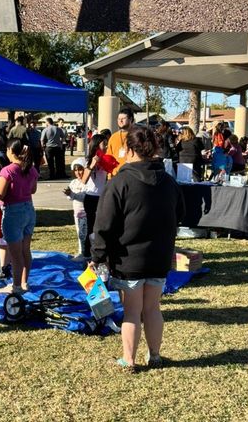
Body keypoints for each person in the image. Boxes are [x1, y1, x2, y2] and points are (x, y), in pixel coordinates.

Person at [90, 125, 183, 371]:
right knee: (153, 308)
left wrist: (97, 255)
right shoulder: (169, 182)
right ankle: (154, 355)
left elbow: (104, 224)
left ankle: (128, 360)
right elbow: (180, 214)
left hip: (127, 258)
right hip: (159, 256)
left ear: (129, 149)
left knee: (132, 311)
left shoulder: (120, 182)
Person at [0, 139, 38, 294]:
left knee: (15, 254)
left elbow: (0, 194)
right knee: (25, 250)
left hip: (13, 212)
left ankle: (16, 286)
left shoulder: (8, 171)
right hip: (29, 210)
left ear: (10, 150)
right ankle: (24, 283)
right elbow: (33, 190)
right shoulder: (31, 169)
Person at [77, 131, 111, 261]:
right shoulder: (88, 160)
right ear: (97, 145)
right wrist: (92, 165)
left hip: (103, 197)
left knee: (103, 226)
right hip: (91, 198)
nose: (106, 147)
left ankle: (101, 252)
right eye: (104, 144)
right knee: (92, 226)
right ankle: (87, 253)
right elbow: (84, 180)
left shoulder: (105, 159)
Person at [63, 162, 90, 260]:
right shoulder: (73, 182)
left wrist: (73, 194)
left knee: (84, 234)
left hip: (85, 214)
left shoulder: (88, 183)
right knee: (79, 234)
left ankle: (85, 253)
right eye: (75, 170)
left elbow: (84, 197)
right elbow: (70, 198)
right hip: (77, 213)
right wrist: (68, 194)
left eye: (80, 169)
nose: (78, 172)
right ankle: (81, 252)